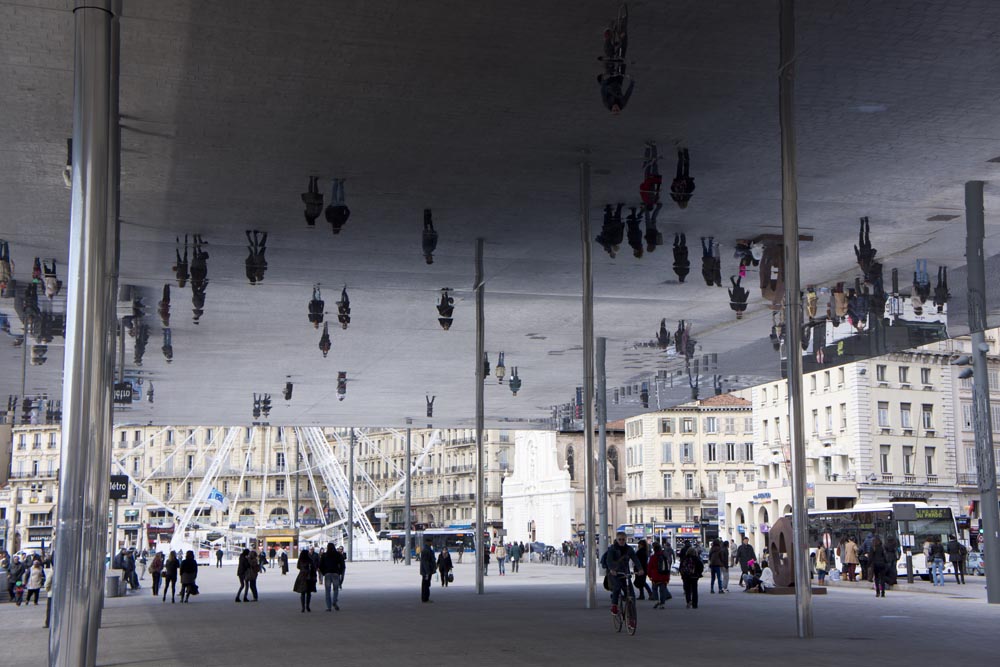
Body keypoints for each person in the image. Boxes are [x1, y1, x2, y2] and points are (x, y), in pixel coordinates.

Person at [600, 531, 644, 616]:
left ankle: (631, 615)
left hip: (625, 572)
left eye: (623, 539)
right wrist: (612, 569)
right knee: (617, 586)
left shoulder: (629, 549)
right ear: (616, 539)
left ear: (626, 539)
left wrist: (640, 569)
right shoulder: (612, 549)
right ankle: (614, 606)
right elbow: (609, 560)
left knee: (631, 593)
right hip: (614, 573)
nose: (621, 541)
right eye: (619, 539)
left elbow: (635, 559)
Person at [318, 542, 345, 611]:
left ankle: (328, 607)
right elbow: (342, 565)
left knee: (327, 590)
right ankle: (334, 601)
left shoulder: (324, 555)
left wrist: (324, 573)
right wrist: (340, 572)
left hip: (327, 573)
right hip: (335, 573)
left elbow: (320, 565)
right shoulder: (338, 555)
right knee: (336, 589)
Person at [678, 542, 704, 608]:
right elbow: (701, 567)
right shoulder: (696, 559)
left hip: (686, 576)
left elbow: (680, 567)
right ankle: (695, 604)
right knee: (694, 590)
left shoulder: (684, 559)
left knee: (688, 590)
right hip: (694, 576)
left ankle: (688, 601)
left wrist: (682, 574)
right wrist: (698, 573)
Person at [647, 541, 671, 609]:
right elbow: (668, 567)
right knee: (662, 590)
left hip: (655, 577)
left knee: (654, 589)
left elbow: (649, 567)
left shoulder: (653, 557)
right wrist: (668, 577)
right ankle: (662, 604)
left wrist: (649, 575)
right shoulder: (665, 557)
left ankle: (656, 601)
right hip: (664, 576)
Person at [293, 548, 317, 612]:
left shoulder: (300, 560)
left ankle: (303, 607)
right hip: (309, 577)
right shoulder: (310, 560)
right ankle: (308, 606)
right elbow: (314, 568)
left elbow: (298, 567)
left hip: (302, 576)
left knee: (302, 593)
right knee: (308, 593)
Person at [419, 537, 436, 603]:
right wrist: (427, 572)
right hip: (427, 571)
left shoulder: (427, 549)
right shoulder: (426, 550)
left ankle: (425, 598)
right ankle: (425, 598)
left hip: (427, 571)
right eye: (431, 542)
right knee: (426, 585)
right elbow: (425, 562)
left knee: (426, 584)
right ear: (428, 542)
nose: (432, 543)